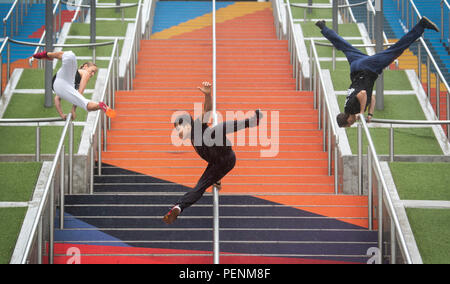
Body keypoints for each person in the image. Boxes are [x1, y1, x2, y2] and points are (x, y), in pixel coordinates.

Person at [163, 81, 263, 224]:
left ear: (187, 124)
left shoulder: (197, 126)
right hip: (219, 164)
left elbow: (208, 110)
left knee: (216, 130)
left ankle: (251, 122)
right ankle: (179, 207)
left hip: (225, 152)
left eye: (179, 129)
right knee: (200, 186)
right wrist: (217, 177)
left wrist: (208, 95)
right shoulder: (191, 138)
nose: (178, 133)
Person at [315, 17, 439, 127]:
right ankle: (323, 27)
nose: (351, 125)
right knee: (344, 46)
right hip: (356, 67)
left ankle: (422, 25)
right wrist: (370, 114)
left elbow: (363, 93)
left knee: (396, 50)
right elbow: (371, 97)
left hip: (368, 69)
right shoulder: (348, 107)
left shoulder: (352, 109)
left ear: (347, 120)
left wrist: (362, 113)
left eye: (349, 125)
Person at [30, 50, 116, 120]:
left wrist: (62, 115)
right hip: (62, 78)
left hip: (59, 86)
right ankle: (45, 55)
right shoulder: (84, 72)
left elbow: (57, 98)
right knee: (70, 55)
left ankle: (100, 105)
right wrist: (73, 110)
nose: (92, 74)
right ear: (85, 66)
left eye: (94, 73)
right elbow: (80, 93)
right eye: (92, 70)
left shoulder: (75, 84)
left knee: (85, 104)